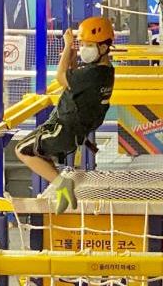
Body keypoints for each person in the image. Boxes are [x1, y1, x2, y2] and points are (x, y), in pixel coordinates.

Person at [15, 17, 115, 214]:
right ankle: (62, 189)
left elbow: (61, 77)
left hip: (63, 129)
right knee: (40, 154)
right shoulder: (105, 71)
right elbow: (75, 75)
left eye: (89, 45)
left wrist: (68, 46)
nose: (84, 49)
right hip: (73, 131)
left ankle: (63, 183)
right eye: (82, 45)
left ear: (103, 48)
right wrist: (72, 53)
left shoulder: (93, 75)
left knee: (22, 150)